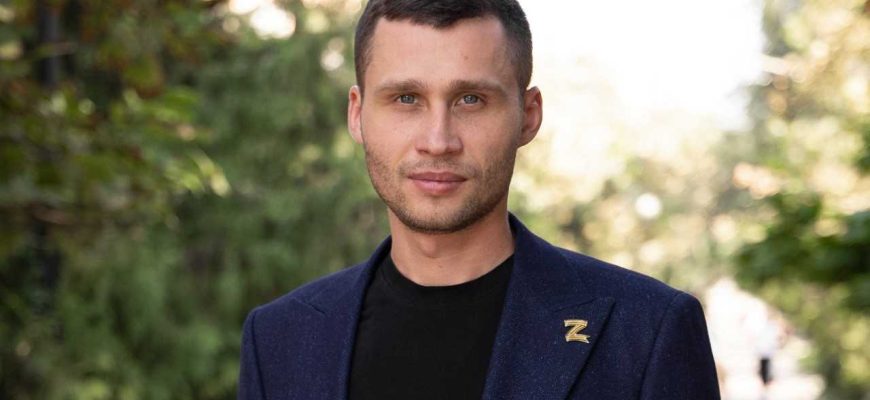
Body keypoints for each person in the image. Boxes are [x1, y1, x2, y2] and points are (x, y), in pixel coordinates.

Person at [237, 1, 720, 399]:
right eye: (406, 98)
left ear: (528, 115)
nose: (437, 141)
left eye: (470, 99)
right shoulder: (278, 339)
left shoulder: (646, 331)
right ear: (357, 115)